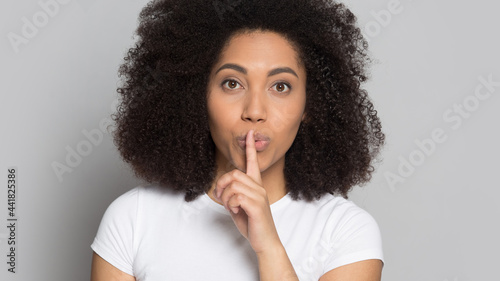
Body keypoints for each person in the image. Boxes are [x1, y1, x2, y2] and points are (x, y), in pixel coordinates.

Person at [90, 0, 385, 280]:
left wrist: (268, 246)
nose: (255, 112)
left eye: (280, 86)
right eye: (232, 83)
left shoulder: (346, 231)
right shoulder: (134, 218)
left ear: (311, 104)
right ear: (196, 95)